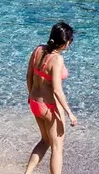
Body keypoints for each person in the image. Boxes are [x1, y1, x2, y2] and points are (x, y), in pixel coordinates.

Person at [24, 21, 76, 174]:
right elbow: (57, 91)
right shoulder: (57, 60)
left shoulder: (38, 50)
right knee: (57, 147)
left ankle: (27, 173)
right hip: (49, 107)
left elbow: (29, 76)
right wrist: (70, 113)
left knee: (45, 140)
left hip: (34, 102)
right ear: (64, 43)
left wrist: (30, 95)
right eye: (70, 40)